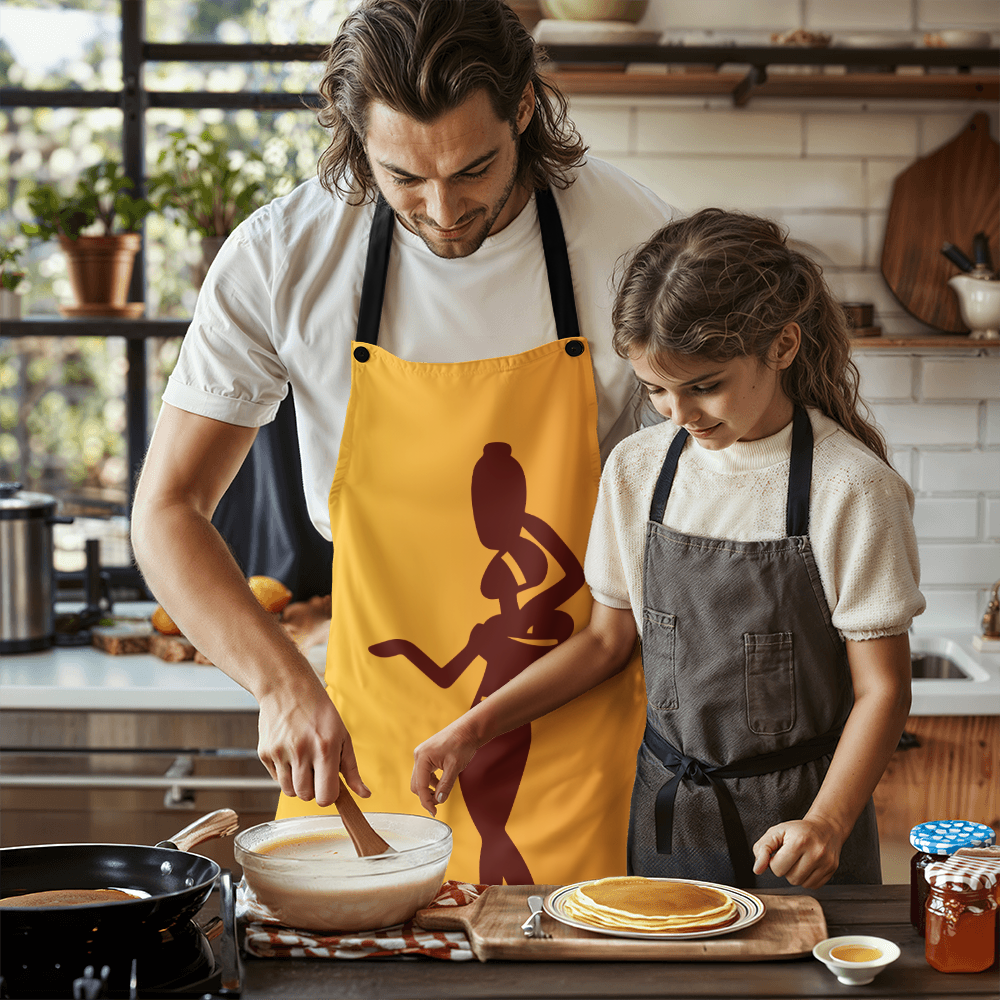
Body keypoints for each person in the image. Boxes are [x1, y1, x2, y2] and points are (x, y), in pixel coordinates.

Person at [131, 0, 677, 886]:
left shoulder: (635, 243)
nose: (444, 209)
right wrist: (279, 686)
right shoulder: (283, 256)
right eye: (404, 178)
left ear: (526, 111)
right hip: (359, 733)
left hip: (574, 732)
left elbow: (705, 492)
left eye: (475, 169)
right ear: (354, 137)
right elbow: (166, 511)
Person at [411, 208, 925, 889]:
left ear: (782, 345)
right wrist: (475, 727)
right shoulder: (638, 469)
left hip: (797, 831)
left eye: (703, 385)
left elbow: (883, 690)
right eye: (655, 389)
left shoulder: (852, 488)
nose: (678, 415)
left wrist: (826, 823)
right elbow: (603, 644)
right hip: (668, 820)